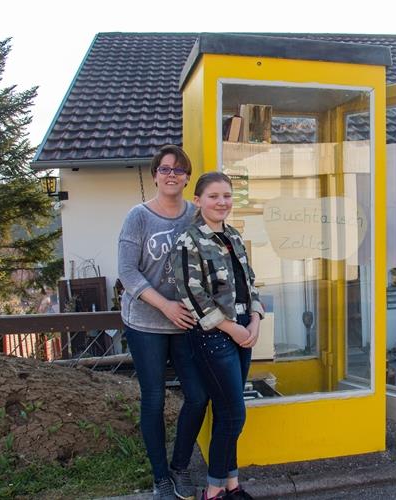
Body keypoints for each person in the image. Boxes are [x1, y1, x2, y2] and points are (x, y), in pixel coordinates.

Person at [118, 144, 207, 499]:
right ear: (155, 175)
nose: (172, 174)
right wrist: (165, 306)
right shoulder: (138, 216)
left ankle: (180, 466)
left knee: (199, 396)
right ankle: (161, 478)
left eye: (179, 170)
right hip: (145, 323)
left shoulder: (194, 216)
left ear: (187, 178)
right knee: (153, 397)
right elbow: (126, 271)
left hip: (186, 323)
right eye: (165, 169)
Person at [173, 172, 264, 500]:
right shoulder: (189, 240)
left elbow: (250, 281)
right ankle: (213, 492)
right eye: (213, 196)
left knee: (230, 412)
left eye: (227, 195)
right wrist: (232, 328)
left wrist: (254, 319)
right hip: (214, 334)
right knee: (233, 412)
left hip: (243, 326)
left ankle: (232, 485)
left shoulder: (234, 236)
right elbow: (192, 294)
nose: (222, 202)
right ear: (197, 200)